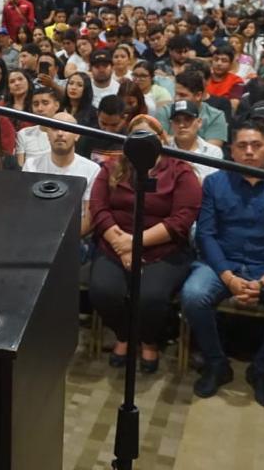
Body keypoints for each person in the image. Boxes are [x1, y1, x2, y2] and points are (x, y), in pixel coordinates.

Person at [182, 122, 264, 408]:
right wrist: (227, 276)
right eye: (242, 146)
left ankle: (262, 369)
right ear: (231, 151)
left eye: (256, 146)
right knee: (193, 295)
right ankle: (216, 363)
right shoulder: (215, 183)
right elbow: (206, 234)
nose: (249, 152)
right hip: (221, 264)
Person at [90, 114, 200, 371]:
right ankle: (124, 335)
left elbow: (182, 219)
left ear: (161, 140)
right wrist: (122, 244)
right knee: (104, 291)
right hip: (116, 242)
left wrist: (135, 243)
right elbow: (99, 207)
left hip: (163, 249)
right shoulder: (113, 167)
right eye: (134, 138)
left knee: (151, 297)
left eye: (147, 138)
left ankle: (148, 340)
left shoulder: (181, 171)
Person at [23, 111, 101, 236]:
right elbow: (26, 209)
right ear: (47, 134)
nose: (60, 133)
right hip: (36, 236)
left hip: (76, 238)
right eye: (54, 128)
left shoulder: (92, 169)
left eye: (66, 128)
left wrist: (64, 242)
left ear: (77, 135)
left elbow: (89, 218)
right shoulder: (31, 165)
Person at [165, 99, 223, 181]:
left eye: (188, 120)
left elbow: (213, 186)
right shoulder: (163, 150)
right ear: (171, 125)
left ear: (199, 122)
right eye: (177, 121)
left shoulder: (213, 152)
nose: (182, 125)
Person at [15, 86, 58, 165]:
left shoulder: (64, 133)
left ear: (56, 105)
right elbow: (20, 168)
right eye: (36, 104)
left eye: (45, 103)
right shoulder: (23, 134)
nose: (40, 108)